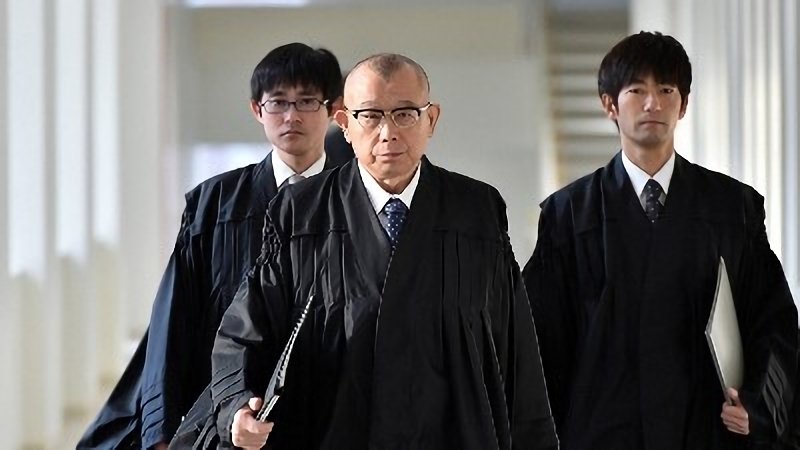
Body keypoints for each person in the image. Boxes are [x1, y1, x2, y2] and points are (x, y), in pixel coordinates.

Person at [207, 53, 558, 450]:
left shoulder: (475, 211)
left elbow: (516, 349)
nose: (388, 132)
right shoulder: (301, 213)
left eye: (405, 114)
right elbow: (244, 330)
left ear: (431, 119)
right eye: (370, 116)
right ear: (344, 124)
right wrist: (236, 408)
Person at [523, 31, 798, 450]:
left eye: (666, 90)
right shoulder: (568, 216)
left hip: (706, 430)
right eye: (636, 90)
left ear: (683, 105)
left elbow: (773, 322)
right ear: (610, 105)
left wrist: (759, 406)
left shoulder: (732, 208)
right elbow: (539, 342)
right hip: (603, 433)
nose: (653, 103)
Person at [78, 42, 351, 450]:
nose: (291, 116)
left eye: (307, 101)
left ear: (333, 110)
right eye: (278, 102)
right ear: (257, 109)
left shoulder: (354, 204)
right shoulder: (215, 204)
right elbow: (175, 318)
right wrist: (160, 431)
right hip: (224, 409)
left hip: (325, 410)